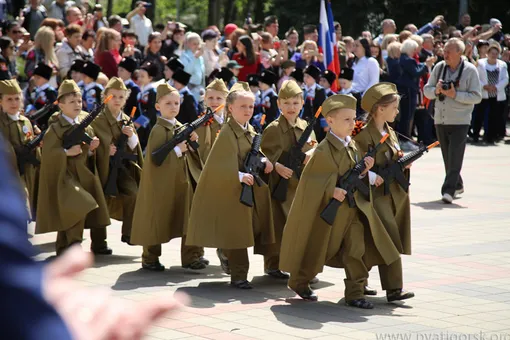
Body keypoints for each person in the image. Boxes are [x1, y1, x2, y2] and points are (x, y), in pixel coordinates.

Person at [279, 94, 400, 308]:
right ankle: (299, 280)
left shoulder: (351, 145)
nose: (352, 123)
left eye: (353, 119)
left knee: (356, 249)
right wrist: (330, 190)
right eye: (346, 119)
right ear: (330, 121)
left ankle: (355, 293)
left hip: (352, 209)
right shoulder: (324, 150)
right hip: (330, 212)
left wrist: (365, 170)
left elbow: (351, 172)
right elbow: (311, 180)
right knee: (319, 250)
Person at [186, 82, 276, 289]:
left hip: (247, 189)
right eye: (242, 107)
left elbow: (253, 154)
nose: (247, 111)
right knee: (239, 233)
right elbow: (218, 164)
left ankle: (229, 256)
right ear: (230, 109)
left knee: (244, 231)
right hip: (233, 190)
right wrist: (239, 176)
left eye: (251, 107)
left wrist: (265, 161)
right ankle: (238, 276)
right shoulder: (227, 132)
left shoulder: (249, 130)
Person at [131, 83, 208, 271]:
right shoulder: (158, 130)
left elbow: (190, 154)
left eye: (176, 103)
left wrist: (191, 144)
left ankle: (191, 257)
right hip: (161, 184)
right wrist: (177, 151)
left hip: (181, 181)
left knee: (186, 217)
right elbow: (154, 160)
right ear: (158, 106)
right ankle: (150, 258)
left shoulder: (180, 127)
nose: (173, 107)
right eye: (168, 103)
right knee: (157, 217)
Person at [36, 80, 111, 255]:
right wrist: (66, 152)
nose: (77, 105)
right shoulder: (55, 128)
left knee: (71, 211)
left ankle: (64, 248)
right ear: (61, 105)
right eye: (71, 102)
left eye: (79, 101)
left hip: (82, 175)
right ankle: (74, 246)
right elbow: (48, 153)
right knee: (78, 205)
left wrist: (92, 150)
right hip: (64, 176)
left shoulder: (86, 125)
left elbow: (88, 154)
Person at [355, 83, 415, 302]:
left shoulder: (389, 131)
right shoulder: (361, 133)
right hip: (370, 195)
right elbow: (354, 162)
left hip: (390, 193)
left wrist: (402, 164)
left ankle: (381, 286)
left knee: (383, 238)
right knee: (382, 237)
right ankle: (386, 287)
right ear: (380, 109)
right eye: (394, 107)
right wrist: (370, 175)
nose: (397, 111)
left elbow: (393, 156)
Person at [260, 80, 317, 279]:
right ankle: (274, 264)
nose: (291, 107)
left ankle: (297, 265)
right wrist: (276, 166)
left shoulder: (305, 127)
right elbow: (263, 155)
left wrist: (312, 155)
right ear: (278, 105)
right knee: (278, 226)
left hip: (301, 184)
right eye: (286, 103)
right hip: (280, 186)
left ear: (302, 103)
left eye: (295, 102)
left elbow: (315, 149)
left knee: (300, 227)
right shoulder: (273, 129)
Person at [424, 38, 482, 204]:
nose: (445, 54)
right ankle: (458, 184)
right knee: (448, 158)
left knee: (455, 156)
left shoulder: (470, 70)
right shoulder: (439, 68)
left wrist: (455, 95)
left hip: (460, 121)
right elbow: (427, 91)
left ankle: (448, 190)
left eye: (449, 51)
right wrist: (436, 90)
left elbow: (477, 97)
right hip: (440, 119)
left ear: (459, 52)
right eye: (444, 51)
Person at [92, 77, 144, 246]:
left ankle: (129, 233)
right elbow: (91, 143)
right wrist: (105, 150)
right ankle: (99, 243)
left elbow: (135, 148)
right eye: (113, 96)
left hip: (122, 168)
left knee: (133, 193)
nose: (117, 100)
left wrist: (131, 136)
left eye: (121, 97)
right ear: (105, 97)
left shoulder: (126, 120)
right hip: (101, 167)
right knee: (99, 201)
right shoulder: (97, 120)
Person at [0, 79, 40, 219]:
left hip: (26, 170)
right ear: (1, 101)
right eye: (9, 99)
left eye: (17, 98)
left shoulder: (25, 121)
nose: (14, 103)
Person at [187, 78, 228, 188]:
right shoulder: (200, 124)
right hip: (209, 174)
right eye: (210, 98)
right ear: (204, 100)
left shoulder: (230, 122)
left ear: (226, 101)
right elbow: (201, 153)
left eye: (219, 98)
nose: (214, 102)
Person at [474, 43, 509, 144]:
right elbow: (476, 77)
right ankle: (476, 134)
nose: (493, 55)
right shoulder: (480, 63)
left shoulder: (502, 64)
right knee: (480, 115)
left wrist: (496, 87)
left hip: (496, 94)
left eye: (496, 53)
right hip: (484, 93)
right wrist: (484, 86)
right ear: (488, 53)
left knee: (494, 116)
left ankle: (490, 136)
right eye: (492, 53)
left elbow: (505, 79)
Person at [25, 63, 58, 130]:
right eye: (34, 77)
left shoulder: (50, 92)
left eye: (38, 78)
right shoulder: (35, 90)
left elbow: (53, 107)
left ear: (46, 79)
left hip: (46, 121)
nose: (35, 79)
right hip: (36, 120)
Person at [135, 61, 159, 150]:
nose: (139, 79)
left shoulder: (152, 92)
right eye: (139, 76)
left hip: (148, 124)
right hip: (142, 125)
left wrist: (139, 122)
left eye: (142, 76)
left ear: (150, 78)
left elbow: (151, 110)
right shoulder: (143, 91)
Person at [301, 64, 327, 141]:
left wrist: (324, 124)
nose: (305, 79)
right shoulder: (302, 90)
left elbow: (322, 107)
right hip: (303, 120)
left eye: (308, 77)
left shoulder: (319, 91)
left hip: (316, 122)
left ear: (314, 78)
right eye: (304, 76)